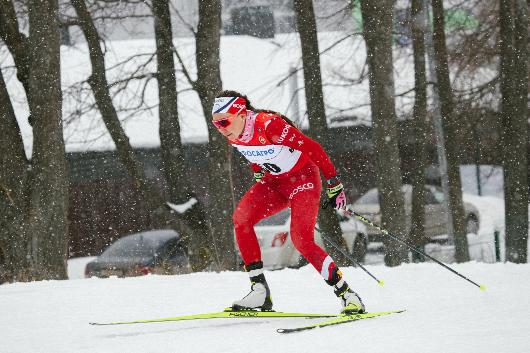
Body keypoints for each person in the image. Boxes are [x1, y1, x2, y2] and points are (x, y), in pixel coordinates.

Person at [211, 90, 365, 314]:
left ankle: (348, 295)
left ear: (242, 114)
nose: (221, 128)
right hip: (275, 183)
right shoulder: (233, 132)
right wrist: (258, 171)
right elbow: (253, 153)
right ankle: (259, 292)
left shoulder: (269, 126)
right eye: (215, 124)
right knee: (241, 219)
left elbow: (314, 148)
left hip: (303, 180)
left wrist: (334, 182)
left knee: (302, 240)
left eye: (224, 121)